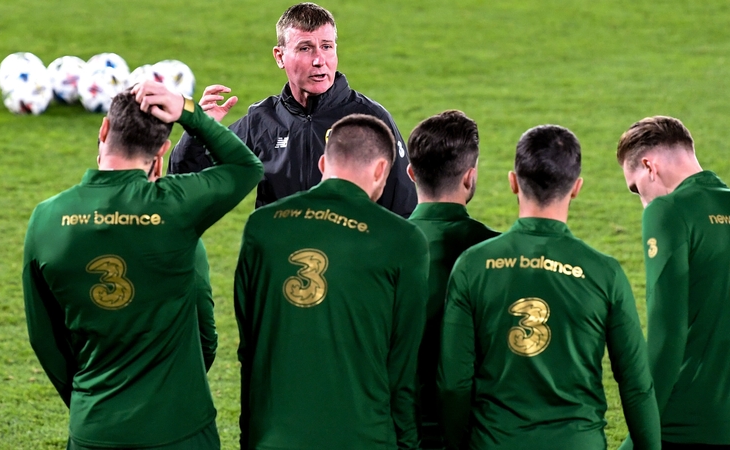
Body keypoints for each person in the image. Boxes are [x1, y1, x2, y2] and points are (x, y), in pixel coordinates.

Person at [22, 80, 263, 449]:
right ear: (163, 151)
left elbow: (45, 337)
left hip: (95, 428)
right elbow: (246, 167)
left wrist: (88, 402)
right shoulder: (176, 209)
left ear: (104, 129)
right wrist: (190, 113)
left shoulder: (46, 218)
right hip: (181, 428)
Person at [439, 125, 660, 450]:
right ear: (576, 188)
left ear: (513, 182)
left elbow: (454, 384)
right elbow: (637, 386)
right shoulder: (604, 273)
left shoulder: (473, 265)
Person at [234, 113, 428, 449]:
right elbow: (403, 368)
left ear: (324, 164)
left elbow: (249, 347)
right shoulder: (403, 240)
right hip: (364, 438)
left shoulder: (262, 226)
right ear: (382, 169)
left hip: (274, 438)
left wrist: (250, 434)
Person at [616, 115, 730, 449]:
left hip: (687, 427)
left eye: (636, 188)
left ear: (649, 166)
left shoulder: (667, 211)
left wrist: (640, 437)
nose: (642, 201)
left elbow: (666, 338)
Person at [168, 2, 417, 217]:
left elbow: (404, 208)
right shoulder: (262, 120)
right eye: (305, 48)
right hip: (280, 263)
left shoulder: (370, 118)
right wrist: (198, 127)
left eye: (327, 46)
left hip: (349, 262)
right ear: (279, 56)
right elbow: (184, 180)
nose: (320, 60)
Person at [405, 109, 499, 449]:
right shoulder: (499, 252)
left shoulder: (375, 247)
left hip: (395, 432)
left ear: (411, 173)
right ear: (469, 177)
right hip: (478, 433)